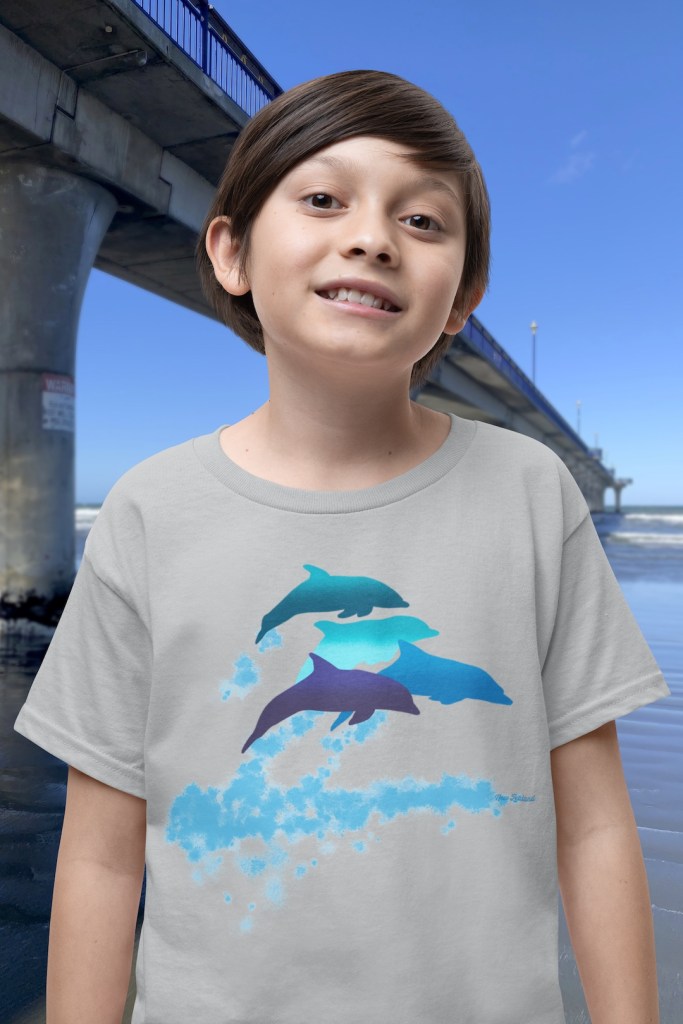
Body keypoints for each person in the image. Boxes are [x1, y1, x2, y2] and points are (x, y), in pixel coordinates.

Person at [14, 69, 670, 1024]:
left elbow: (598, 824)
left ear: (462, 300)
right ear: (231, 251)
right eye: (322, 199)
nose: (370, 237)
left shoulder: (532, 491)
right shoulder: (150, 510)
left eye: (422, 221)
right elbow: (104, 853)